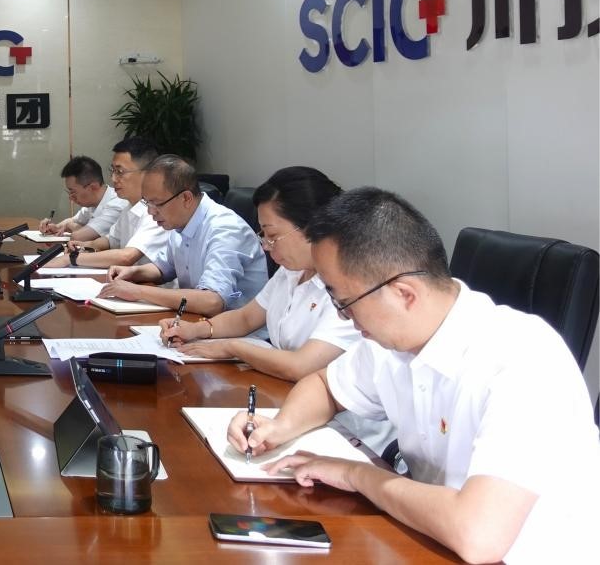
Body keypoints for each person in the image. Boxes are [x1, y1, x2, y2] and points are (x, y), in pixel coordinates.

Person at [227, 187, 600, 564]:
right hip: (428, 538)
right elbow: (325, 384)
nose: (343, 317)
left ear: (404, 294)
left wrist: (356, 475)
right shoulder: (393, 339)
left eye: (344, 303)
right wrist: (279, 427)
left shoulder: (525, 360)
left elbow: (479, 536)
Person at [160, 166, 392, 452]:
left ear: (312, 228)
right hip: (290, 406)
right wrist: (196, 330)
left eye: (272, 235)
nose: (266, 247)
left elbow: (302, 366)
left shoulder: (350, 286)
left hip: (348, 435)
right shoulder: (292, 270)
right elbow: (247, 317)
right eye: (263, 235)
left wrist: (232, 347)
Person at [101, 154, 267, 315]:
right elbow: (164, 268)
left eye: (157, 203)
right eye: (147, 202)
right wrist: (133, 272)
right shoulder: (181, 221)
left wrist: (138, 291)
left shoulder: (225, 229)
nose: (151, 212)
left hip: (238, 329)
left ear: (186, 198)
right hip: (196, 320)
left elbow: (212, 301)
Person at [45, 137, 168, 270]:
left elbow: (126, 257)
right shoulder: (129, 207)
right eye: (113, 171)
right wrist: (83, 246)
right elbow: (109, 241)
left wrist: (72, 258)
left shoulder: (157, 212)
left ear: (148, 174)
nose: (113, 179)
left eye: (120, 172)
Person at [38, 155, 130, 243]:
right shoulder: (92, 204)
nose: (70, 197)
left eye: (73, 192)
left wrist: (68, 226)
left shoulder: (116, 205)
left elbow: (79, 237)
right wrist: (56, 227)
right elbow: (72, 220)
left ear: (93, 187)